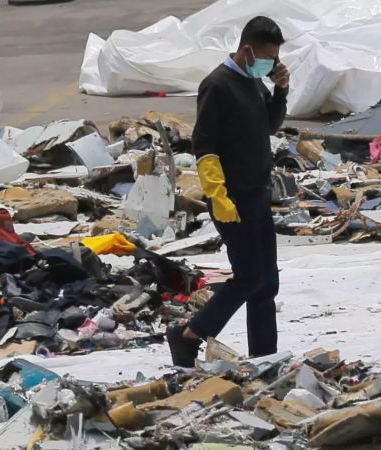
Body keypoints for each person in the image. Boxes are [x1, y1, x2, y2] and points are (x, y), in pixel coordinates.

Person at [166, 16, 290, 367]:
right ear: (247, 50)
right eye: (267, 58)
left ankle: (265, 357)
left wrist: (280, 90)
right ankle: (189, 334)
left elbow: (269, 124)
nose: (271, 64)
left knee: (266, 283)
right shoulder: (218, 85)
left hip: (257, 194)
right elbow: (203, 144)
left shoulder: (254, 82)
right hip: (232, 200)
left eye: (275, 59)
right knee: (250, 276)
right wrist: (218, 195)